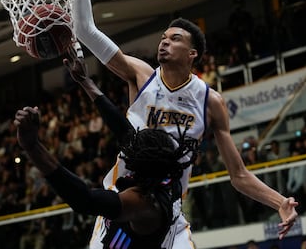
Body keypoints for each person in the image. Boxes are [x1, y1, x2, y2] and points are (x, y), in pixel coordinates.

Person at [70, 0, 298, 248]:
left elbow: (238, 175)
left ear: (192, 54)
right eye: (163, 37)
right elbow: (85, 29)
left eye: (175, 38)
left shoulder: (210, 101)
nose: (164, 42)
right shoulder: (141, 76)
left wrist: (280, 202)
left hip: (168, 210)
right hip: (123, 201)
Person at [14, 50, 199, 248]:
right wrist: (85, 81)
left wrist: (32, 147)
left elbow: (84, 200)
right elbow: (123, 130)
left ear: (139, 162)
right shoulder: (161, 173)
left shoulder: (144, 203)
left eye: (134, 147)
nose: (130, 143)